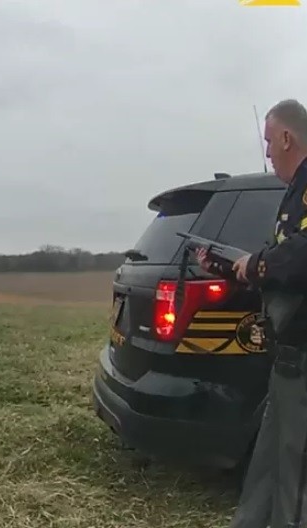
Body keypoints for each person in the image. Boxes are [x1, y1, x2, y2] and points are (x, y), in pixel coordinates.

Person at [200, 98, 307, 528]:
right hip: (288, 358)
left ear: (287, 137)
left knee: (295, 466)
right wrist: (232, 268)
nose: (266, 152)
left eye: (268, 141)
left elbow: (298, 257)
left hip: (301, 355)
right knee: (271, 459)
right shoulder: (293, 194)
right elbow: (285, 265)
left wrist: (258, 264)